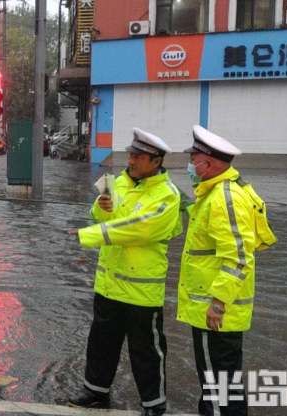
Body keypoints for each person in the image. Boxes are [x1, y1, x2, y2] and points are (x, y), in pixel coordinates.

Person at [68, 128, 182, 416]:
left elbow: (136, 229)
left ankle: (154, 405)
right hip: (108, 284)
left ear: (156, 161)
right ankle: (95, 391)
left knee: (146, 352)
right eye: (130, 154)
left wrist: (89, 235)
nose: (130, 161)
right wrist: (101, 206)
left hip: (141, 292)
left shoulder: (167, 196)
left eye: (138, 157)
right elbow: (101, 213)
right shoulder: (117, 182)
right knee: (101, 343)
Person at [178, 125, 276, 416]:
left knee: (216, 387)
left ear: (207, 164)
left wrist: (218, 303)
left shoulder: (224, 198)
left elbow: (238, 257)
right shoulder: (219, 192)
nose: (190, 165)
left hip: (215, 312)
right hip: (216, 308)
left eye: (193, 158)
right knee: (225, 383)